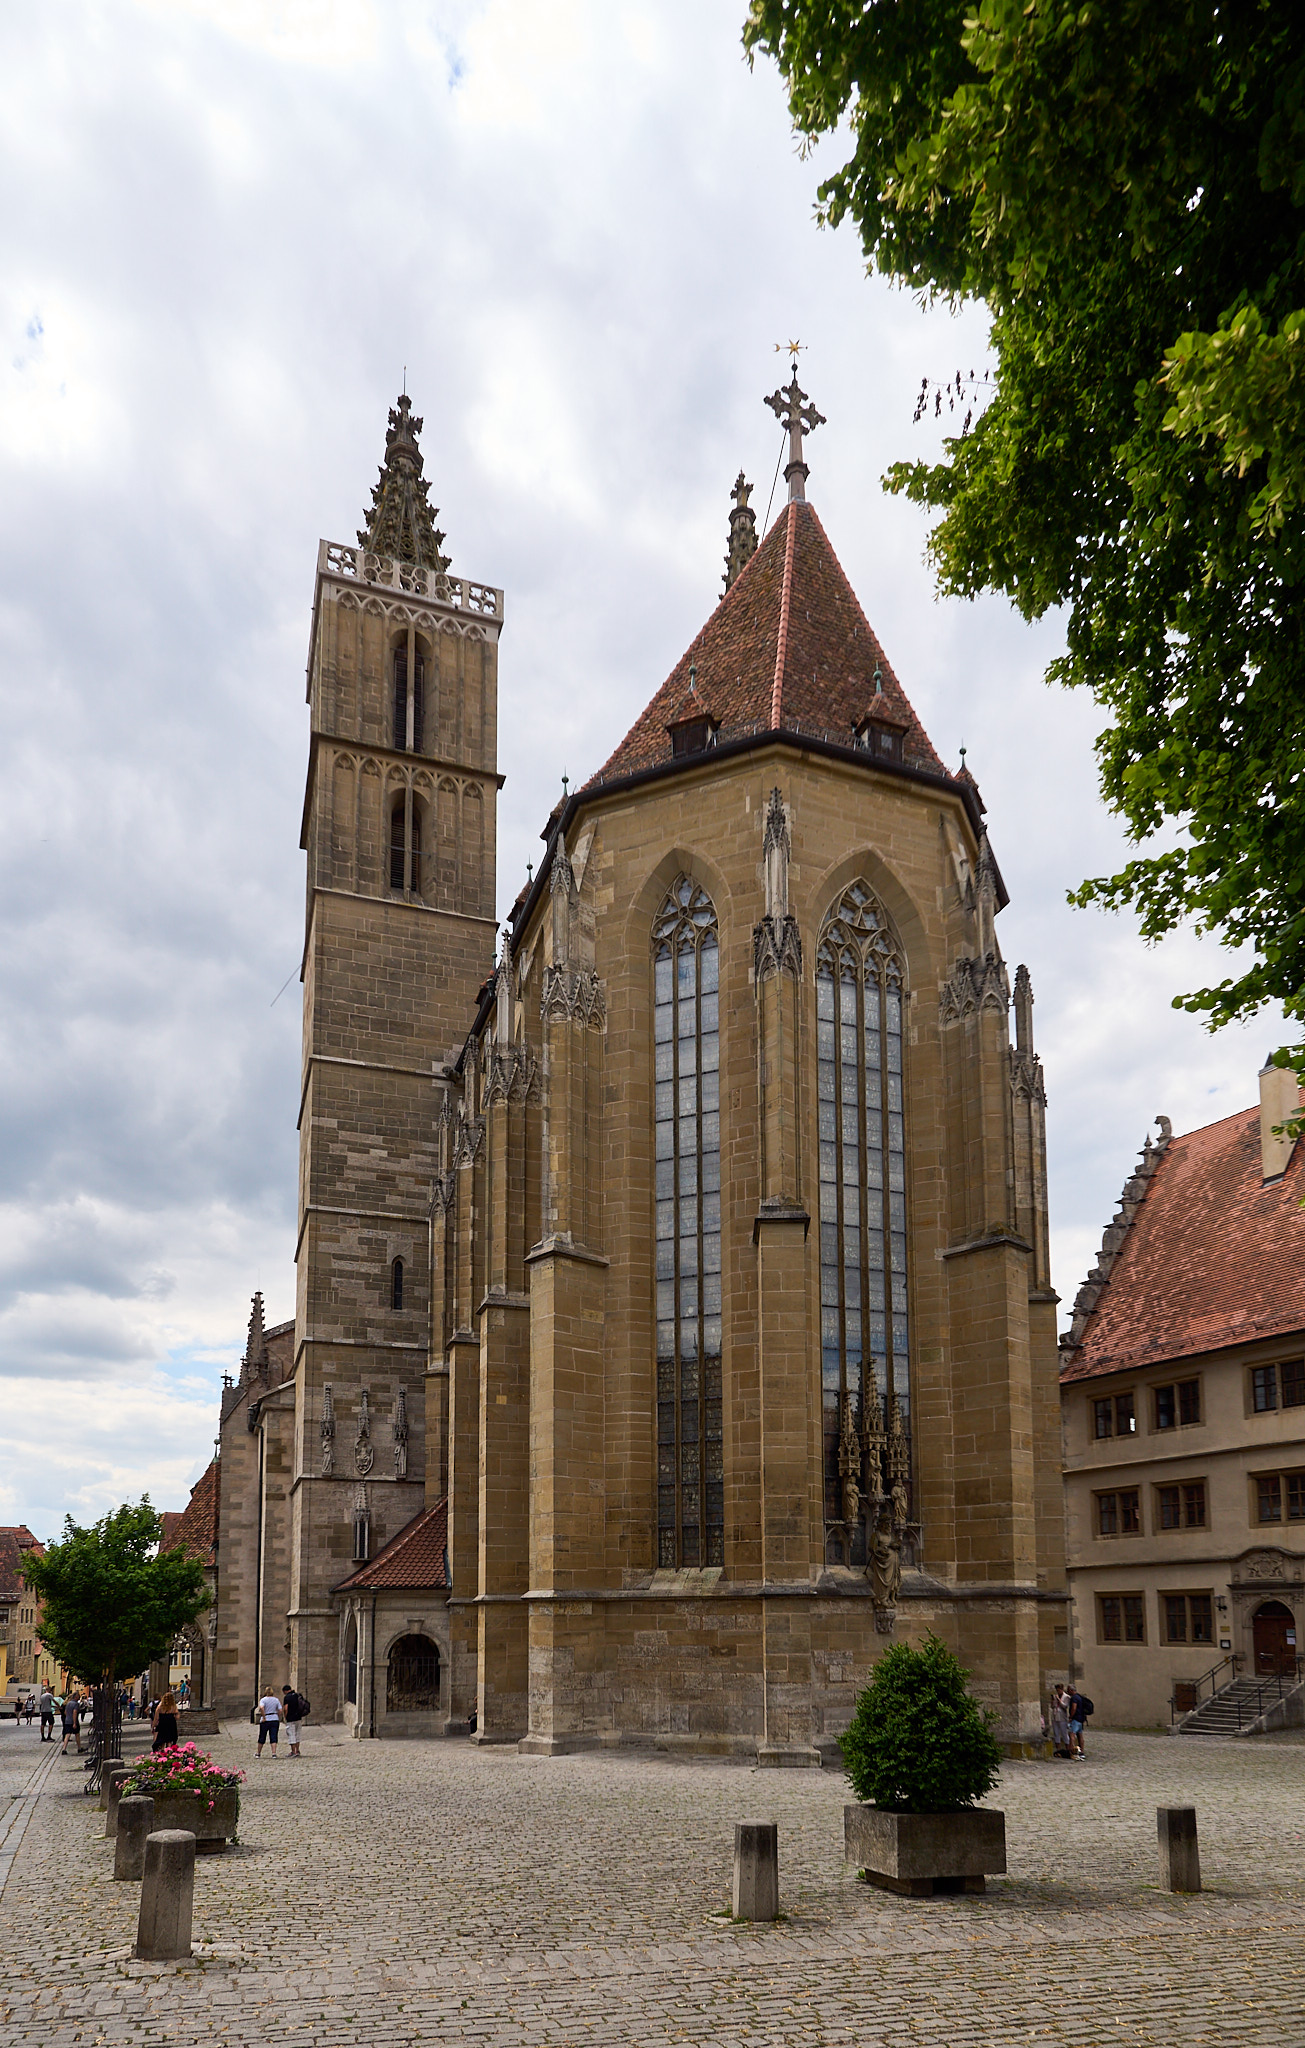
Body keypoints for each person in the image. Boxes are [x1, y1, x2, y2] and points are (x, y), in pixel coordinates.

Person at [281, 1684, 307, 1758]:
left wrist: (285, 1717)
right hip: (298, 1717)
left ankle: (293, 1751)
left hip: (291, 1718)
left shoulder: (287, 1697)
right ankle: (297, 1750)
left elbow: (286, 1708)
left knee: (291, 1734)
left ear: (285, 1691)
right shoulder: (297, 1695)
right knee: (297, 1734)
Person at [255, 1688, 282, 1757]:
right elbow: (280, 1710)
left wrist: (264, 1717)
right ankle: (274, 1753)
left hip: (266, 1719)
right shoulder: (276, 1700)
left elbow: (261, 1707)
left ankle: (258, 1753)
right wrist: (277, 1715)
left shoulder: (263, 1700)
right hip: (274, 1718)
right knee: (273, 1736)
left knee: (262, 1736)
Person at [1067, 1684, 1091, 1758]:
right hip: (1081, 1719)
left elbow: (1074, 1708)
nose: (1067, 1691)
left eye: (1068, 1690)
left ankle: (1072, 1751)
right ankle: (1082, 1751)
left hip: (1076, 1719)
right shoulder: (1079, 1697)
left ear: (1071, 1690)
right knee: (1080, 1735)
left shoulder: (1074, 1698)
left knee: (1072, 1735)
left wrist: (1071, 1717)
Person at [1050, 1685, 1072, 1758]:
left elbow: (1065, 1706)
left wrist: (1059, 1700)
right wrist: (1053, 1701)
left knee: (1064, 1733)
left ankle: (1068, 1749)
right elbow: (1053, 1706)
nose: (1058, 1691)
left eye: (1059, 1690)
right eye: (1057, 1690)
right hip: (1055, 1716)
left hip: (1062, 1717)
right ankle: (1058, 1749)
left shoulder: (1066, 1697)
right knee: (1056, 1733)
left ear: (1062, 1689)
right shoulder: (1055, 1696)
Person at [59, 1690, 81, 1754]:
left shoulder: (68, 1703)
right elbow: (75, 1712)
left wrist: (68, 1716)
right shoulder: (76, 1704)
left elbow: (65, 1712)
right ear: (76, 1697)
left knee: (67, 1735)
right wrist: (74, 1722)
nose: (79, 1698)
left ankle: (64, 1749)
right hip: (73, 1721)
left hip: (67, 1721)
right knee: (77, 1734)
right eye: (78, 1696)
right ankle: (79, 1748)